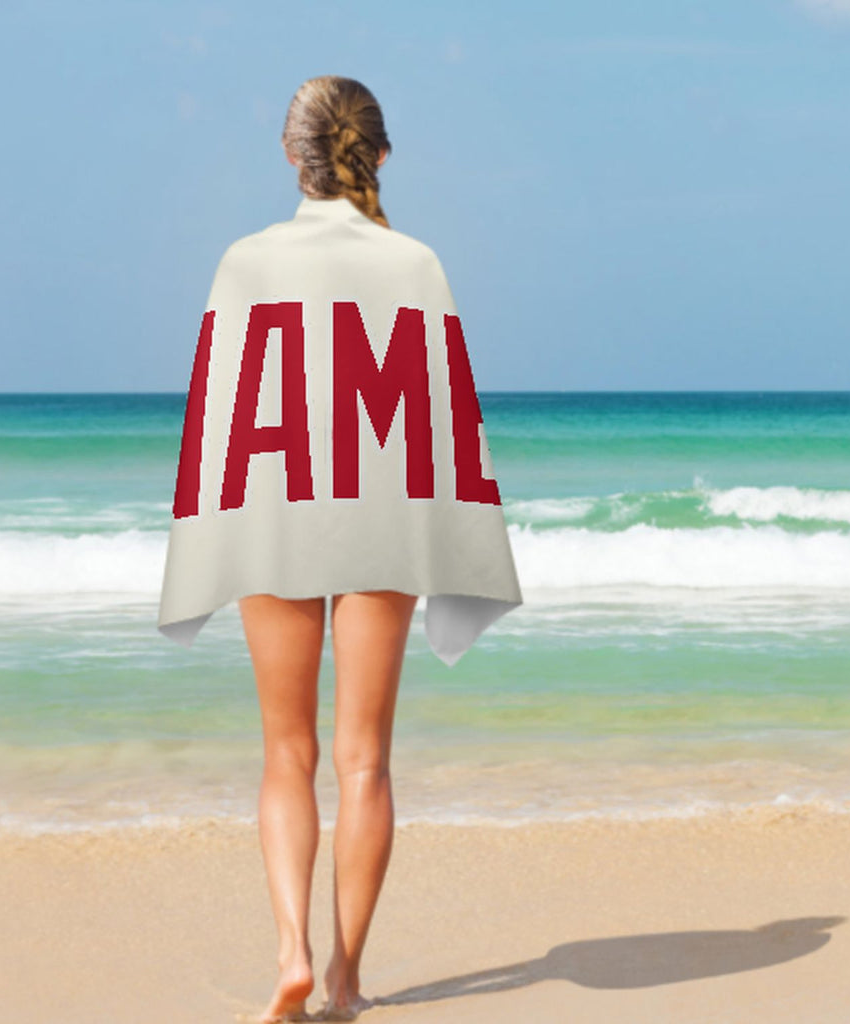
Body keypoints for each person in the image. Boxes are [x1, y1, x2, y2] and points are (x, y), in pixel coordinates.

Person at [157, 75, 521, 1022]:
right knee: (365, 762)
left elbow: (221, 421)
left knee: (287, 753)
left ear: (292, 157)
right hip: (380, 523)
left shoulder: (243, 263)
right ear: (381, 155)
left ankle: (289, 951)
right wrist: (464, 547)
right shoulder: (416, 265)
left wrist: (203, 541)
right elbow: (446, 426)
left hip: (276, 516)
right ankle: (346, 977)